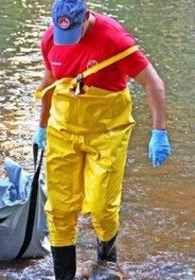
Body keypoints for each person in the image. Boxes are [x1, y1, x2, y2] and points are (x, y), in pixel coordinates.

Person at [32, 0, 171, 279]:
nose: (67, 41)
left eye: (74, 31)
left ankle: (107, 269)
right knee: (59, 209)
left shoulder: (114, 39)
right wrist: (42, 126)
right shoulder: (50, 39)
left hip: (108, 132)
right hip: (63, 130)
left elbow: (153, 83)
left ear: (86, 17)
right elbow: (49, 83)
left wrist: (159, 132)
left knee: (102, 206)